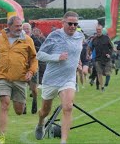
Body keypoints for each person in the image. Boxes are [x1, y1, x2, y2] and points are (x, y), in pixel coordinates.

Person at [0, 16, 38, 144]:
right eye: (17, 26)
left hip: (20, 78)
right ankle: (1, 136)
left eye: (21, 26)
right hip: (3, 76)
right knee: (4, 102)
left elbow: (34, 59)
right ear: (10, 26)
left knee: (19, 110)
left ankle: (19, 102)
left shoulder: (27, 40)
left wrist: (31, 71)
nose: (20, 28)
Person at [34, 11, 84, 144]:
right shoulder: (54, 35)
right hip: (51, 79)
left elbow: (76, 52)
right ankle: (40, 123)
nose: (73, 26)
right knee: (45, 111)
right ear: (63, 23)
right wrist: (57, 57)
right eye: (70, 23)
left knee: (68, 107)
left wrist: (78, 62)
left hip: (68, 79)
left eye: (75, 24)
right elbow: (40, 55)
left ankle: (63, 141)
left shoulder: (80, 36)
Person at [86, 24, 113, 92]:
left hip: (106, 58)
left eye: (99, 30)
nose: (98, 31)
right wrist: (88, 54)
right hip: (98, 59)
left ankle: (103, 82)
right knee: (99, 73)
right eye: (97, 30)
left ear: (102, 30)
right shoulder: (94, 39)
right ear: (96, 30)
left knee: (107, 73)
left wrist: (109, 54)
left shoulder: (106, 38)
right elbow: (89, 47)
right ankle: (102, 87)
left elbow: (112, 47)